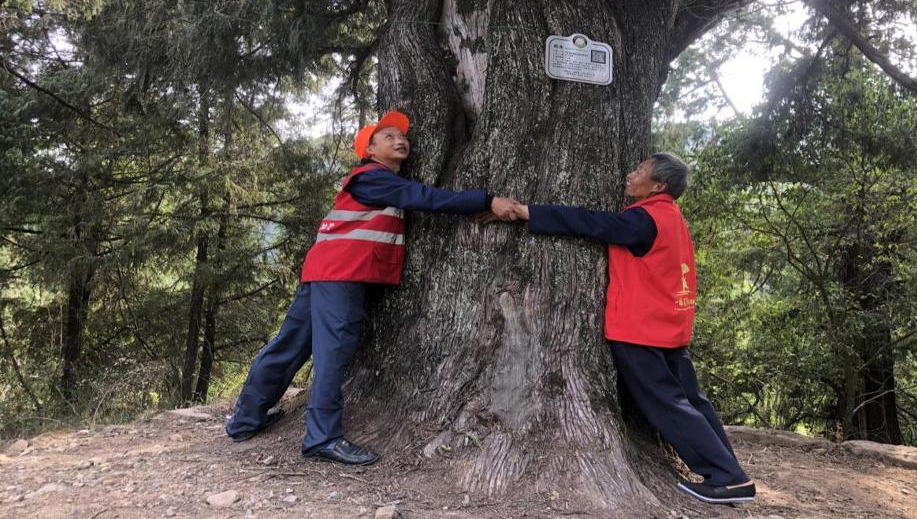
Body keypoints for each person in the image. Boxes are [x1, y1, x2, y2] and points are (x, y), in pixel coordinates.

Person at [226, 110, 519, 465]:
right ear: (369, 150)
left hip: (324, 271)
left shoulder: (377, 180)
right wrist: (487, 201)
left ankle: (245, 420)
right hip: (340, 275)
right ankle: (322, 438)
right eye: (388, 137)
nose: (400, 140)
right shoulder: (371, 177)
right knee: (331, 353)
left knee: (290, 345)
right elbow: (426, 197)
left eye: (402, 136)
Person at [501, 153, 755, 505]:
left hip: (642, 330)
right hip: (669, 326)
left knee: (669, 405)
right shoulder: (670, 216)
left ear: (658, 186)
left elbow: (590, 223)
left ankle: (726, 479)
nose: (630, 174)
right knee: (692, 402)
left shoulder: (643, 220)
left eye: (639, 171)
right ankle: (732, 475)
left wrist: (531, 211)